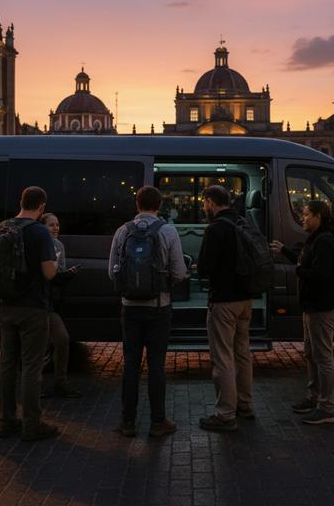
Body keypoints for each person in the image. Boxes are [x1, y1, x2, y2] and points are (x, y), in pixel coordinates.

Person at [108, 186, 186, 438]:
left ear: (137, 204)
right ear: (159, 205)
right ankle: (158, 421)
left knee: (131, 364)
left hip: (129, 308)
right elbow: (179, 273)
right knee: (156, 365)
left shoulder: (123, 231)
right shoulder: (168, 231)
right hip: (158, 307)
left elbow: (113, 272)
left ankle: (127, 422)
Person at [271, 200, 334, 425]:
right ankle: (314, 398)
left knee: (323, 357)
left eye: (306, 214)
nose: (302, 218)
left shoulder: (325, 241)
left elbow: (320, 274)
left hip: (322, 306)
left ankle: (327, 408)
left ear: (318, 216)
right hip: (312, 306)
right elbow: (304, 261)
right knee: (311, 354)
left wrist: (300, 270)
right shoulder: (316, 239)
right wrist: (284, 251)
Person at [0, 186, 59, 441]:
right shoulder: (39, 232)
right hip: (33, 307)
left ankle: (7, 420)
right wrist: (54, 260)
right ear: (41, 206)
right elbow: (49, 273)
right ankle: (32, 424)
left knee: (7, 365)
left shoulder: (2, 227)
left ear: (20, 202)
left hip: (5, 305)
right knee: (32, 368)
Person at [197, 185, 255, 432]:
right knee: (242, 354)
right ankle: (245, 405)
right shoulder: (242, 223)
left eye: (203, 204)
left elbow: (205, 267)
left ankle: (225, 414)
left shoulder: (216, 228)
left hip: (223, 300)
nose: (203, 208)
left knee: (222, 357)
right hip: (246, 299)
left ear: (210, 202)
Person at [39, 212, 82, 398]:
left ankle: (60, 382)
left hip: (51, 301)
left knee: (61, 341)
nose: (56, 227)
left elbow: (58, 275)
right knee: (43, 345)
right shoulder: (38, 245)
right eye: (51, 225)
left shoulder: (59, 245)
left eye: (57, 224)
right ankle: (37, 386)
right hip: (38, 301)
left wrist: (68, 274)